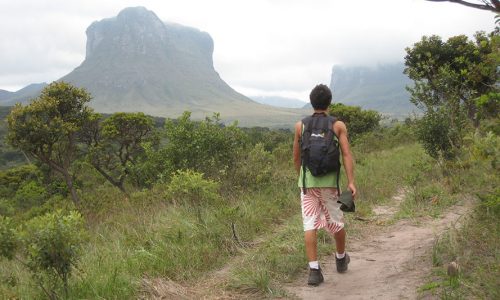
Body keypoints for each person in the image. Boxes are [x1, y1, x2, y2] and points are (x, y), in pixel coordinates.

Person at [292, 84, 357, 286]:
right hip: (330, 183)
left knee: (309, 224)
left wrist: (302, 178)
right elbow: (346, 154)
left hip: (308, 184)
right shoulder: (337, 125)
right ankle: (340, 259)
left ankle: (314, 271)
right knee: (336, 221)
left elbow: (296, 157)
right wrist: (351, 182)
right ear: (329, 102)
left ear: (312, 102)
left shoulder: (300, 126)